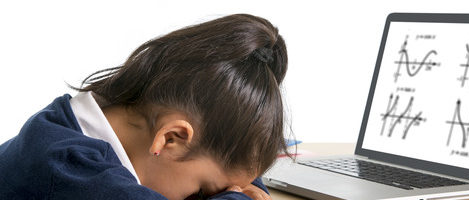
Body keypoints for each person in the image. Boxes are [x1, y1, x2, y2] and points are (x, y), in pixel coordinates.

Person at [0, 14, 292, 200]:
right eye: (201, 193)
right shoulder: (73, 170)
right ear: (170, 138)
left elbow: (230, 166)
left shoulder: (84, 121)